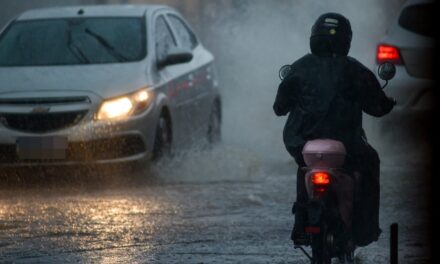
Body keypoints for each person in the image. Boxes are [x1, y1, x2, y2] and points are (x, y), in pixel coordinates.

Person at [273, 13, 396, 246]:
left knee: (303, 167)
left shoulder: (298, 69)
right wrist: (389, 102)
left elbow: (279, 108)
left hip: (302, 143)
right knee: (371, 161)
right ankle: (365, 230)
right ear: (346, 40)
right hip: (348, 145)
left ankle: (301, 225)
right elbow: (378, 107)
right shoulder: (356, 71)